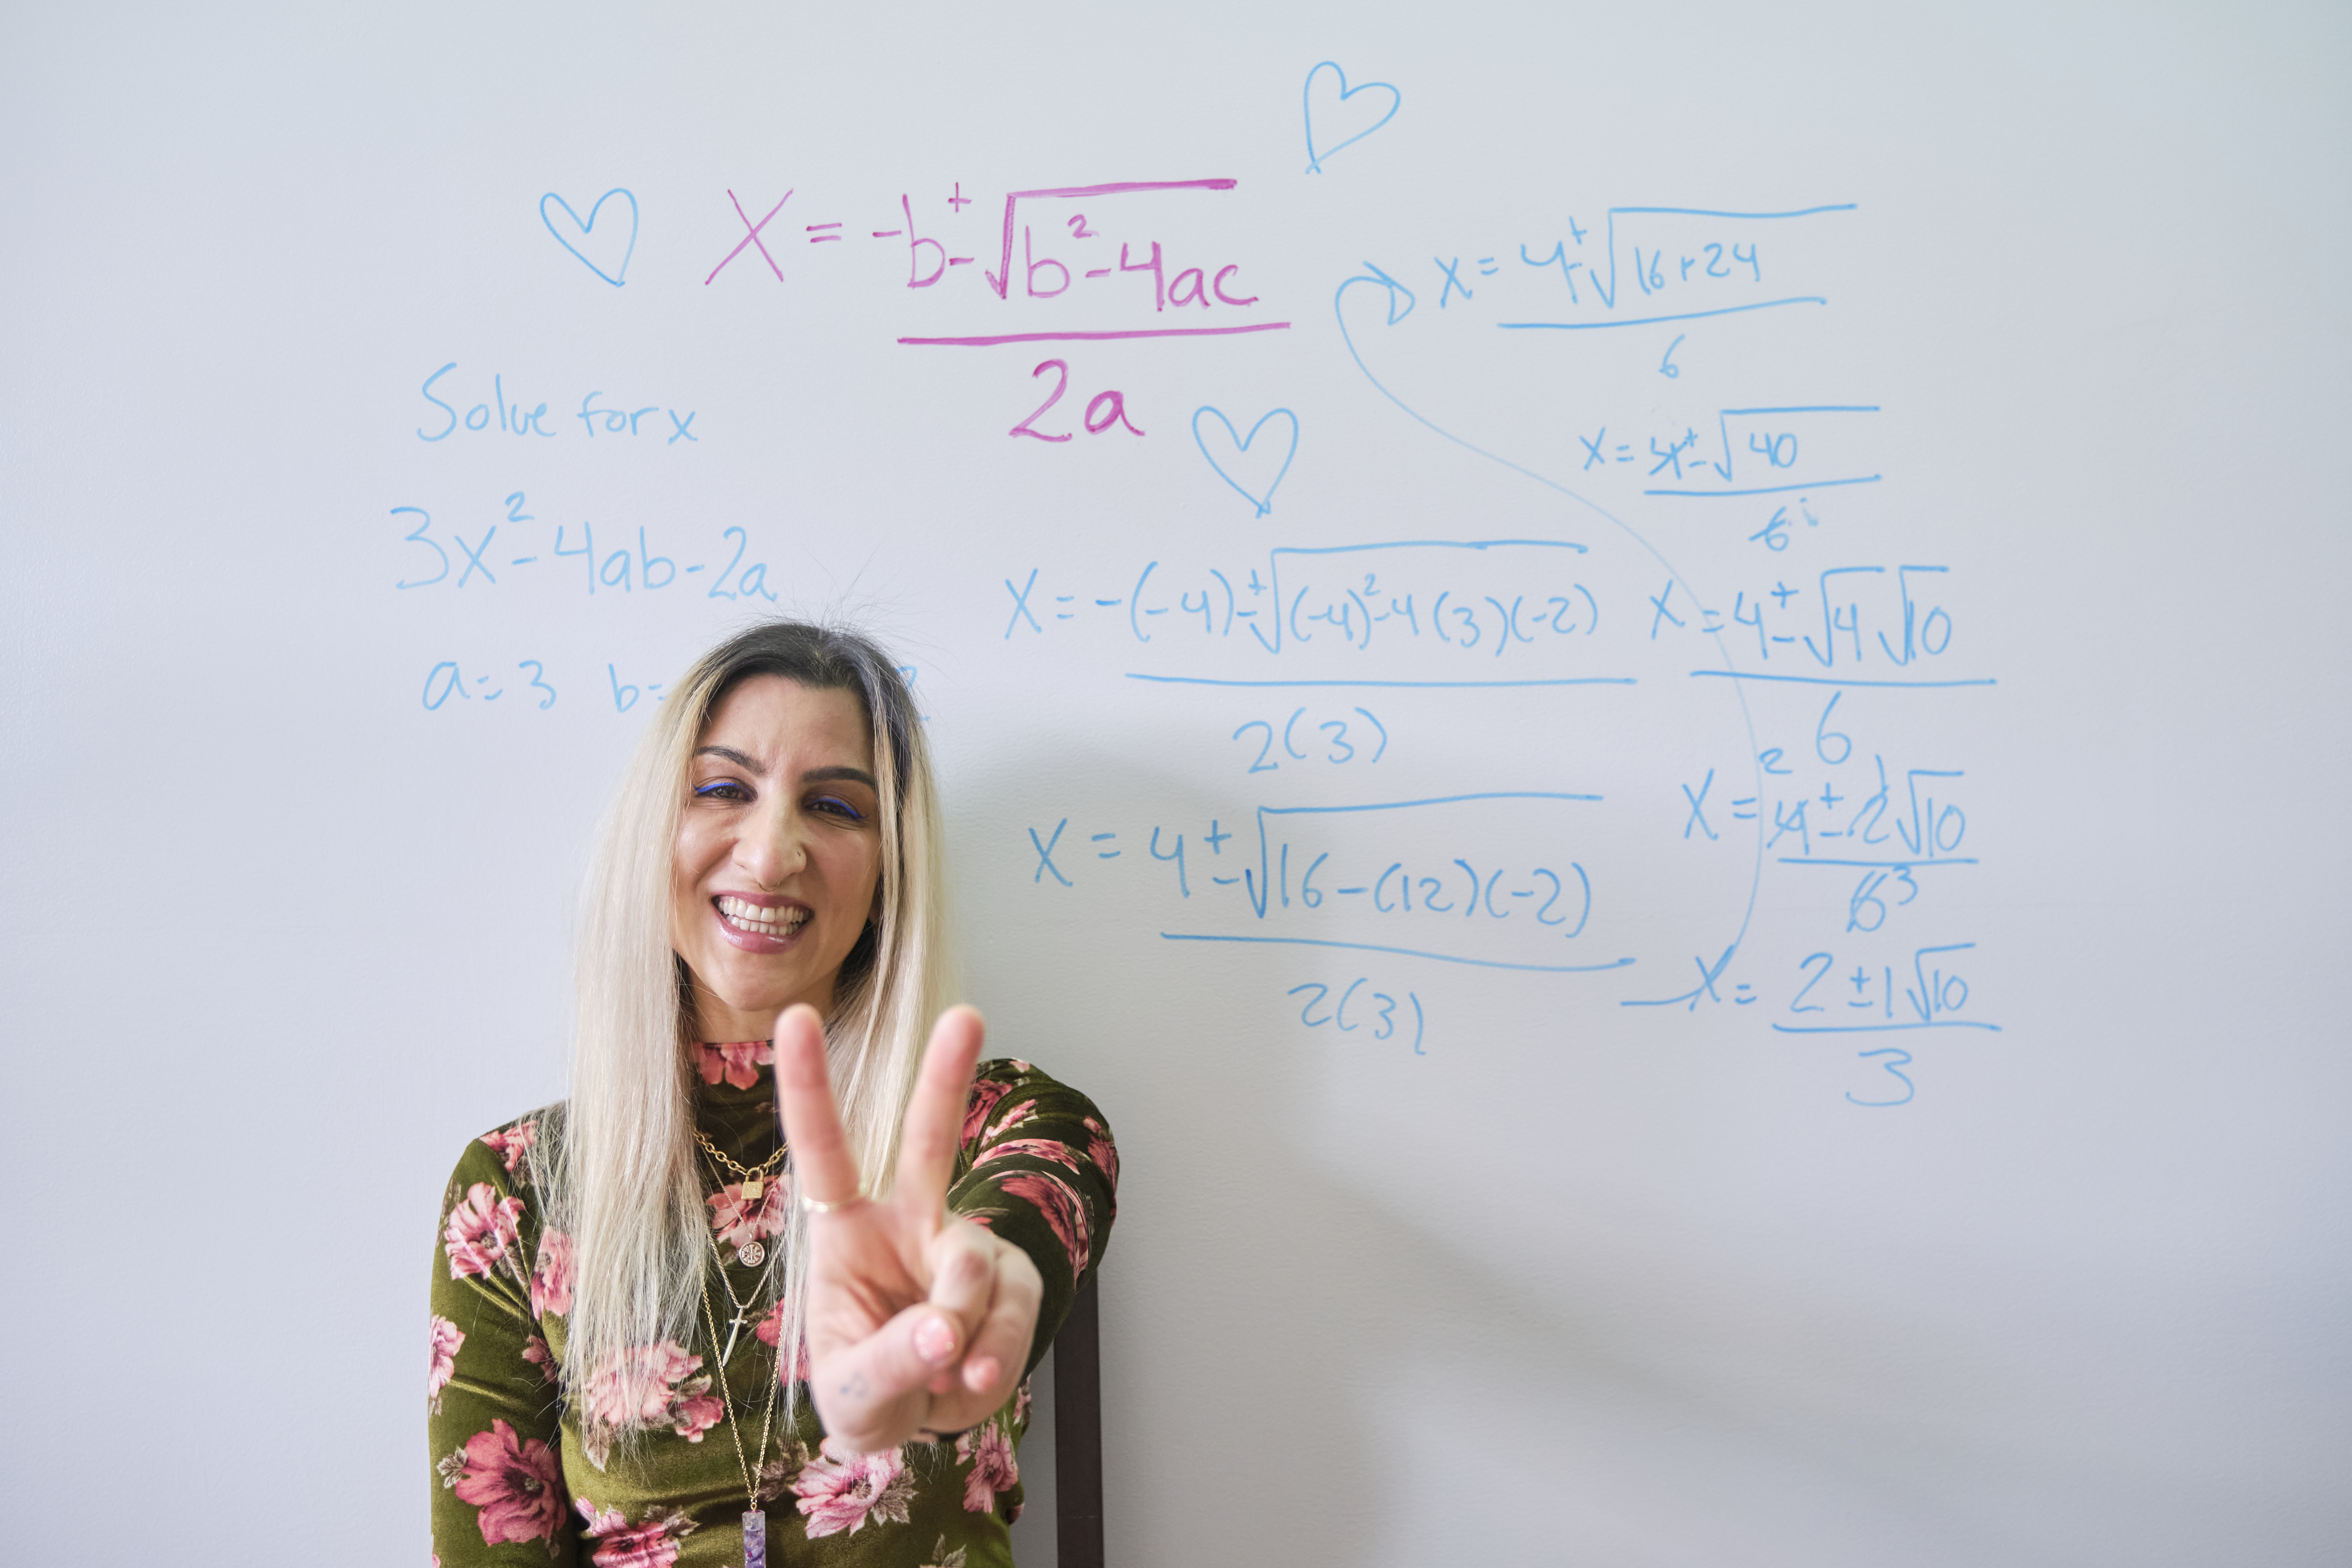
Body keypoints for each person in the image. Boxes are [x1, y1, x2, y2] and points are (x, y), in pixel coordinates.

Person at [428, 622, 1117, 1567]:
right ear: (653, 835)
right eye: (723, 790)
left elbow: (1019, 1228)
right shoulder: (510, 1194)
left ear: (888, 876)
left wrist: (956, 1315)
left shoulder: (1006, 1124)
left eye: (835, 807)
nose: (771, 852)